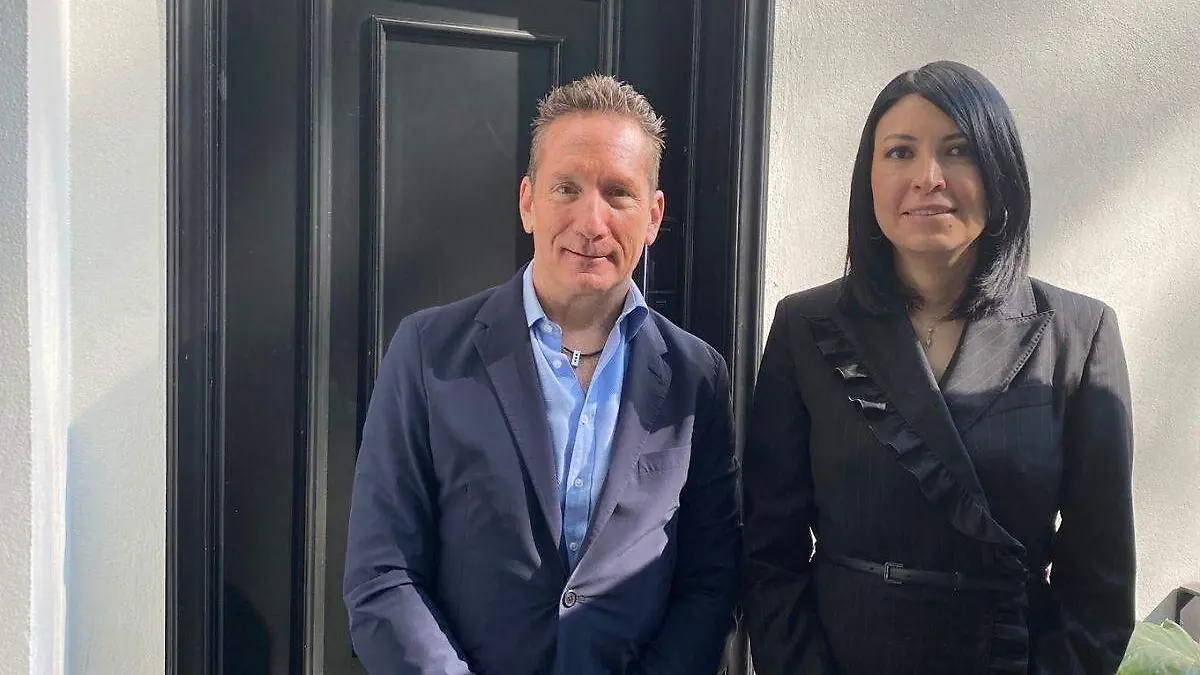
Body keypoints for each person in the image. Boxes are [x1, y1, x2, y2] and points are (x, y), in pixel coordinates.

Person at [740, 61, 1135, 675]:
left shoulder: (1079, 335)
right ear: (869, 179)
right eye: (900, 152)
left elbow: (1100, 586)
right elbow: (770, 551)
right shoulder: (805, 326)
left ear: (1001, 174)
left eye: (959, 151)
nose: (928, 178)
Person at [343, 74, 740, 675]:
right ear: (528, 201)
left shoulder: (696, 379)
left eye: (618, 193)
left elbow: (709, 583)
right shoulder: (428, 353)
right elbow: (382, 573)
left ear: (653, 215)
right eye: (566, 188)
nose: (591, 221)